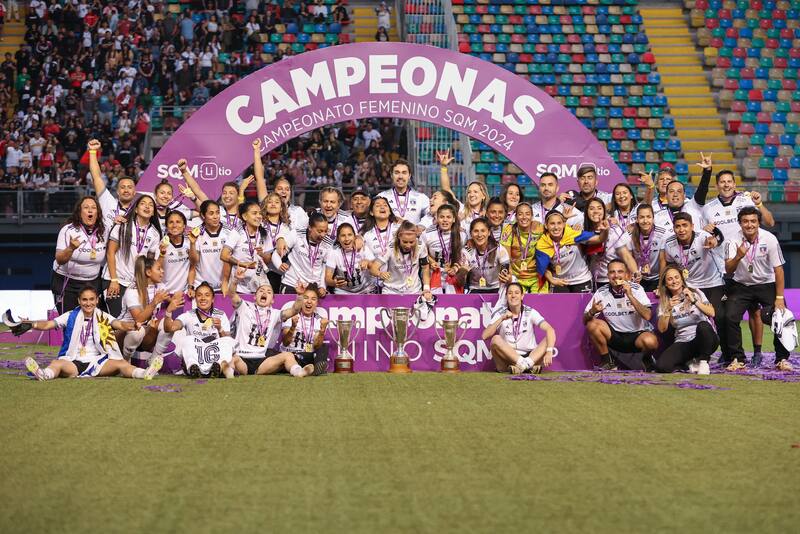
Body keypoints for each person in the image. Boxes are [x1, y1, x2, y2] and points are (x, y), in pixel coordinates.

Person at [703, 167, 775, 363]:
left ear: (734, 183)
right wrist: (706, 230)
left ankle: (758, 352)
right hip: (721, 267)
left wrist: (759, 203)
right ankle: (729, 354)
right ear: (716, 185)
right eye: (722, 182)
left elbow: (769, 222)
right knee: (725, 313)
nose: (726, 185)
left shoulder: (747, 199)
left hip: (749, 265)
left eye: (729, 181)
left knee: (755, 311)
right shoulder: (708, 208)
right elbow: (705, 236)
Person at [23, 286, 161, 381]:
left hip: (98, 362)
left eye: (91, 299)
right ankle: (43, 375)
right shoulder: (70, 315)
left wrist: (132, 326)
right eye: (84, 300)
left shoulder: (103, 316)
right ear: (79, 301)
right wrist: (32, 324)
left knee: (121, 364)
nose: (88, 303)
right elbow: (48, 324)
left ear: (96, 300)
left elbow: (119, 324)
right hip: (73, 361)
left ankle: (145, 374)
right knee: (57, 363)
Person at [724, 207, 791, 371]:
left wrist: (780, 298)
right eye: (745, 221)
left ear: (758, 223)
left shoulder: (769, 239)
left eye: (753, 221)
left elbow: (779, 270)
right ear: (740, 223)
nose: (749, 225)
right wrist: (739, 256)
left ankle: (781, 359)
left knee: (780, 316)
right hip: (741, 285)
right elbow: (728, 269)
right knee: (729, 317)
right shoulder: (731, 240)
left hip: (766, 283)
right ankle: (737, 358)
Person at [659, 212, 729, 363]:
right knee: (679, 317)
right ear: (674, 228)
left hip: (712, 282)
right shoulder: (669, 244)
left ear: (692, 226)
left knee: (720, 317)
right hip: (690, 285)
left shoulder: (703, 236)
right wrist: (663, 284)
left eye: (685, 226)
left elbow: (718, 239)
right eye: (678, 226)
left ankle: (727, 354)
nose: (681, 229)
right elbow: (670, 265)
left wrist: (714, 241)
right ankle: (684, 354)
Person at [227, 274, 315, 377]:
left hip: (262, 362)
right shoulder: (244, 307)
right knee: (232, 358)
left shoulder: (275, 314)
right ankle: (229, 372)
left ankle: (298, 372)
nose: (264, 293)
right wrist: (235, 279)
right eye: (261, 291)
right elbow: (232, 294)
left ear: (272, 300)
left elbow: (294, 310)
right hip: (242, 357)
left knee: (288, 355)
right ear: (255, 297)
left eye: (269, 292)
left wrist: (300, 295)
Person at [583, 259, 659, 370]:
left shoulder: (636, 289)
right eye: (612, 272)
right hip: (615, 337)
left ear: (627, 274)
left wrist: (630, 296)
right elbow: (584, 321)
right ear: (608, 275)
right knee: (592, 324)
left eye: (620, 271)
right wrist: (592, 312)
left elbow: (647, 316)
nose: (616, 275)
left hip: (637, 336)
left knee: (651, 341)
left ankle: (646, 359)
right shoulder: (601, 292)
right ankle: (607, 361)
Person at [103, 194, 162, 317]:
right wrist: (114, 280)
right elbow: (110, 252)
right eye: (143, 204)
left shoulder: (154, 234)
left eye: (151, 205)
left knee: (134, 322)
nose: (147, 207)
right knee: (116, 320)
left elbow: (150, 263)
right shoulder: (122, 226)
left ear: (153, 212)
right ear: (135, 209)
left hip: (136, 284)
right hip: (115, 280)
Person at [482, 282, 557, 374]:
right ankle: (526, 366)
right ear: (506, 297)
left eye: (517, 293)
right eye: (510, 293)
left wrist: (549, 351)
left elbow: (550, 329)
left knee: (548, 337)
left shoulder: (530, 312)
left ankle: (523, 366)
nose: (513, 296)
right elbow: (484, 336)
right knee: (495, 339)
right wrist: (501, 319)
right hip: (508, 357)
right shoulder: (500, 313)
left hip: (531, 356)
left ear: (522, 296)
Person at [164, 282, 235, 378]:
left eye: (207, 295)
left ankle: (216, 368)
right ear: (195, 299)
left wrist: (220, 328)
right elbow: (170, 328)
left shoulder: (221, 315)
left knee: (227, 340)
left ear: (213, 299)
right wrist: (168, 312)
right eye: (199, 295)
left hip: (214, 356)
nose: (203, 298)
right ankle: (193, 368)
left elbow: (228, 342)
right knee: (187, 340)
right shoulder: (188, 315)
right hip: (196, 357)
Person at [655, 266, 717, 374]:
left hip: (705, 339)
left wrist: (694, 301)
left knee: (703, 325)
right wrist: (668, 309)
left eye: (676, 277)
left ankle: (703, 362)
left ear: (682, 279)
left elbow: (712, 313)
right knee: (662, 366)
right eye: (670, 279)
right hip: (683, 341)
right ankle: (690, 365)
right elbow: (662, 329)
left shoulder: (695, 292)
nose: (674, 281)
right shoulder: (665, 302)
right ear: (665, 284)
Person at [51, 197, 106, 313]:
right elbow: (59, 259)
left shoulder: (104, 231)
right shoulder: (68, 230)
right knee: (69, 320)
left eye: (93, 208)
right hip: (66, 281)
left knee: (91, 320)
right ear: (79, 212)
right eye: (86, 208)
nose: (90, 211)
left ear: (98, 213)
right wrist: (71, 248)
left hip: (92, 282)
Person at [117, 257, 174, 365]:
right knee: (137, 331)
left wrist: (174, 300)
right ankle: (125, 361)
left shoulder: (160, 287)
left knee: (168, 324)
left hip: (145, 331)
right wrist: (154, 302)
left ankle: (153, 361)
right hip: (124, 332)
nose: (163, 271)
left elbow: (171, 301)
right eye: (159, 269)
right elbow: (138, 319)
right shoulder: (132, 291)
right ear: (148, 272)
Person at [535, 211, 602, 293]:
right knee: (560, 306)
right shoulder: (542, 244)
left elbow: (599, 239)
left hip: (581, 279)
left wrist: (606, 230)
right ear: (546, 225)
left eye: (559, 223)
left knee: (584, 306)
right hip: (559, 282)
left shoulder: (573, 234)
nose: (556, 227)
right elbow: (544, 267)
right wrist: (552, 280)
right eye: (552, 223)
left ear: (564, 224)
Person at [369, 220, 433, 299]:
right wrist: (380, 273)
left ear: (416, 237)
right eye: (405, 242)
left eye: (411, 242)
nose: (408, 245)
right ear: (399, 236)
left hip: (414, 290)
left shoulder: (420, 246)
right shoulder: (390, 247)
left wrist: (426, 289)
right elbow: (373, 268)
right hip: (391, 290)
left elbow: (425, 268)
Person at [274, 211, 332, 296]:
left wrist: (322, 286)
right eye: (319, 231)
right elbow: (276, 253)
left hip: (313, 287)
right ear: (310, 228)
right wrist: (279, 264)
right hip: (292, 284)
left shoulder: (328, 244)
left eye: (325, 231)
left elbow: (324, 267)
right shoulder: (296, 234)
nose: (323, 235)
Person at [87, 139, 136, 239]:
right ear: (117, 191)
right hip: (104, 251)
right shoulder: (108, 201)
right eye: (122, 187)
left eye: (129, 187)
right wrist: (92, 152)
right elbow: (96, 177)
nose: (126, 190)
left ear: (134, 192)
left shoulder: (140, 211)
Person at [583, 198, 638, 287]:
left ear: (604, 211)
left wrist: (636, 272)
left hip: (613, 280)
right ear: (586, 212)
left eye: (599, 208)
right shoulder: (584, 232)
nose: (596, 211)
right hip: (592, 280)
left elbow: (626, 256)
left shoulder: (614, 230)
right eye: (591, 208)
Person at [178, 157, 242, 232]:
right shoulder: (216, 211)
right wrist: (184, 171)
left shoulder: (244, 213)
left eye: (231, 193)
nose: (227, 196)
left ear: (238, 196)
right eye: (224, 193)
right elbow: (198, 191)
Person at [220, 200, 271, 295]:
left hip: (260, 285)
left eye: (260, 213)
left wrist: (262, 254)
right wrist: (243, 264)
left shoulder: (265, 233)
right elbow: (223, 255)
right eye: (254, 213)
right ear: (245, 216)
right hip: (240, 286)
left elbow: (268, 260)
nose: (259, 216)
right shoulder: (237, 232)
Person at [280, 283, 330, 376]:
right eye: (306, 297)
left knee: (323, 347)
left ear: (317, 302)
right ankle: (315, 366)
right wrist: (293, 327)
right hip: (291, 355)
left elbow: (316, 345)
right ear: (301, 300)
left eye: (313, 299)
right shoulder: (291, 312)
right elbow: (286, 342)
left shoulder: (321, 315)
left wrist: (322, 330)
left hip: (308, 355)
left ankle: (318, 367)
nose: (309, 302)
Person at [500, 202, 545, 293]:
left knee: (539, 304)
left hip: (536, 276)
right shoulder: (509, 230)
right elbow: (505, 259)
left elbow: (555, 232)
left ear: (532, 216)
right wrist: (510, 278)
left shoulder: (539, 228)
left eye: (527, 214)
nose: (524, 217)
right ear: (516, 217)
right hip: (517, 277)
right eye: (520, 214)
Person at [421, 204, 465, 294]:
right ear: (437, 218)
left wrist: (456, 267)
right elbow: (422, 252)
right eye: (442, 217)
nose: (445, 220)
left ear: (454, 219)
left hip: (453, 276)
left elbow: (463, 256)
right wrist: (431, 261)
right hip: (433, 275)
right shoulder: (427, 234)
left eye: (448, 217)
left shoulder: (462, 235)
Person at [461, 217, 510, 294]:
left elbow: (507, 275)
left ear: (489, 232)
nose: (479, 235)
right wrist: (462, 273)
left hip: (496, 288)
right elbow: (460, 282)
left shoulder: (499, 249)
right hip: (475, 288)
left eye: (483, 231)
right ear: (471, 233)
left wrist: (508, 278)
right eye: (476, 231)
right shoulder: (466, 251)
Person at [189, 200, 229, 293]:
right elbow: (193, 262)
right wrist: (192, 244)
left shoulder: (229, 232)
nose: (215, 217)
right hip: (201, 287)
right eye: (211, 213)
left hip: (224, 287)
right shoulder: (196, 233)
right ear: (203, 215)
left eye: (217, 213)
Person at [325, 223, 376, 294]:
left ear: (355, 237)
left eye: (350, 235)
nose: (346, 239)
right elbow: (327, 278)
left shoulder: (362, 248)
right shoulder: (333, 252)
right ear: (338, 239)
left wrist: (368, 262)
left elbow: (376, 267)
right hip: (343, 291)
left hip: (366, 289)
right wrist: (334, 282)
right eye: (343, 235)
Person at [377, 159, 430, 225]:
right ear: (391, 175)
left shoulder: (421, 197)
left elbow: (431, 215)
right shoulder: (382, 197)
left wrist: (421, 226)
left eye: (404, 173)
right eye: (397, 173)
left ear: (409, 176)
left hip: (412, 234)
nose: (400, 176)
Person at [628, 204, 667, 292]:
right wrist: (634, 277)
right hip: (639, 277)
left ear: (653, 218)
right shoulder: (630, 236)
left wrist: (661, 285)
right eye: (641, 217)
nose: (645, 221)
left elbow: (662, 260)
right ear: (637, 219)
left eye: (648, 217)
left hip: (657, 277)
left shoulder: (662, 234)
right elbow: (630, 259)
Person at [158, 210, 195, 297]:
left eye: (178, 222)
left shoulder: (189, 242)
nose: (174, 225)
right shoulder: (162, 244)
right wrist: (162, 254)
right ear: (166, 226)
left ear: (184, 226)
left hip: (184, 293)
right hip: (165, 294)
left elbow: (193, 266)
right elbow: (156, 269)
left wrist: (190, 287)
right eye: (171, 222)